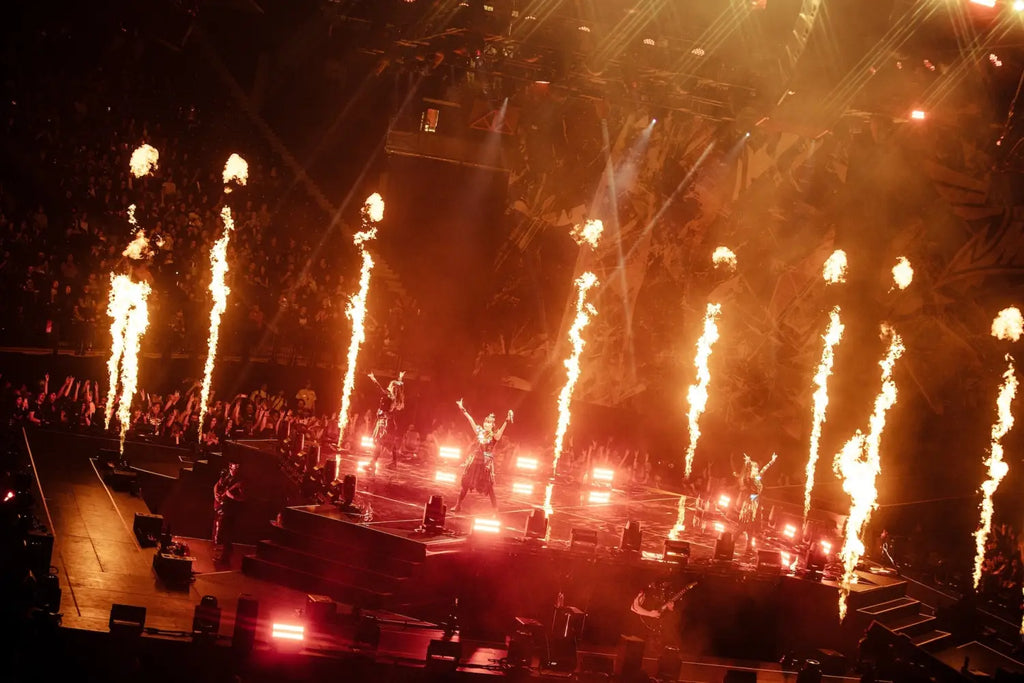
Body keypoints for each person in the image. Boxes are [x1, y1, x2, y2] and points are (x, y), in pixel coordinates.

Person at [451, 399, 512, 513]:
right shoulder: (480, 432)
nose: (486, 424)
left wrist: (507, 420)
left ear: (492, 425)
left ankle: (495, 509)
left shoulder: (495, 436)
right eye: (485, 422)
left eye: (489, 422)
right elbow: (471, 420)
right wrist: (463, 409)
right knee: (466, 484)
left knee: (489, 488)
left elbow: (502, 429)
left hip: (486, 463)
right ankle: (458, 505)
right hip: (475, 461)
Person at [629, 568, 697, 649]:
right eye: (663, 584)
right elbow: (633, 607)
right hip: (642, 629)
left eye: (667, 584)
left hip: (659, 632)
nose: (665, 586)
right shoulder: (647, 591)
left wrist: (670, 608)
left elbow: (672, 617)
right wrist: (649, 613)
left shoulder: (668, 593)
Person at [736, 453, 777, 545]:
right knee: (743, 526)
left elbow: (764, 469)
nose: (758, 469)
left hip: (755, 504)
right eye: (756, 468)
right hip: (749, 505)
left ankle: (748, 546)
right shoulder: (749, 479)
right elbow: (749, 491)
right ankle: (731, 541)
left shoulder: (757, 477)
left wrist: (772, 461)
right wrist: (748, 462)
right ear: (752, 469)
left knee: (750, 527)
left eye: (757, 468)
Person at [368, 371, 405, 469]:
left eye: (390, 385)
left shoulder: (389, 396)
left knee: (379, 442)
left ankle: (373, 463)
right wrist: (400, 379)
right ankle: (394, 463)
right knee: (390, 443)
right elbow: (399, 388)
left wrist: (373, 379)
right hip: (389, 422)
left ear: (392, 387)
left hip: (385, 422)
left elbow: (379, 389)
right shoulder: (394, 398)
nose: (388, 386)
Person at [212, 462, 244, 562]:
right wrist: (216, 495)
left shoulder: (240, 481)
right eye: (232, 467)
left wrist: (232, 496)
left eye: (236, 468)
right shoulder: (226, 476)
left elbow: (243, 498)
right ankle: (225, 552)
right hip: (222, 507)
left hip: (231, 511)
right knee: (220, 531)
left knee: (226, 533)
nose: (234, 469)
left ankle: (225, 557)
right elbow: (216, 485)